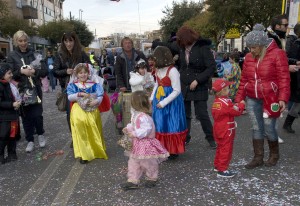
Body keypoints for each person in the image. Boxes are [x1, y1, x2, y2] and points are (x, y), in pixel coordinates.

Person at [235, 24, 290, 169]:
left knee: (269, 128)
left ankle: (274, 155)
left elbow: (284, 77)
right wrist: (239, 99)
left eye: (254, 47)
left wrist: (283, 98)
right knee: (256, 127)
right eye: (249, 47)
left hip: (271, 98)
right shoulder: (248, 57)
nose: (250, 50)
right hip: (253, 98)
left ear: (262, 45)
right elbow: (244, 80)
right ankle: (258, 157)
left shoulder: (277, 54)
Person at [7, 30, 48, 153]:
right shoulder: (12, 55)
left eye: (25, 40)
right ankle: (30, 140)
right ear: (16, 41)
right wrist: (21, 72)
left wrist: (35, 72)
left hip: (35, 88)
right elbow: (9, 74)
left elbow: (45, 71)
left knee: (37, 114)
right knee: (25, 116)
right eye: (20, 41)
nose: (23, 43)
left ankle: (40, 134)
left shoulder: (34, 54)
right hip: (22, 90)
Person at [176, 26, 216, 148]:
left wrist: (198, 80)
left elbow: (211, 67)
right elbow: (183, 66)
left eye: (181, 39)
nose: (180, 42)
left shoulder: (203, 48)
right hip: (185, 85)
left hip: (199, 85)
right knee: (185, 114)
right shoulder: (182, 49)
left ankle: (211, 138)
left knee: (201, 114)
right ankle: (185, 138)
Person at [121, 91, 169, 190]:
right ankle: (133, 179)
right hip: (138, 143)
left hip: (146, 144)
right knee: (134, 161)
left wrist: (134, 133)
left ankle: (152, 178)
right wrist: (128, 128)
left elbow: (145, 130)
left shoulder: (143, 117)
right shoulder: (136, 115)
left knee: (148, 162)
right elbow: (133, 124)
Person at [150, 46, 187, 159]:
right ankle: (162, 148)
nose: (153, 61)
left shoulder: (173, 71)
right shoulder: (157, 70)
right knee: (160, 124)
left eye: (155, 59)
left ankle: (173, 151)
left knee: (172, 124)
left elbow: (177, 90)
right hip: (159, 99)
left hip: (172, 103)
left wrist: (164, 102)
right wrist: (151, 98)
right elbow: (157, 84)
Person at [53, 31, 91, 143]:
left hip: (83, 88)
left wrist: (82, 70)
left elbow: (90, 67)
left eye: (71, 40)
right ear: (63, 42)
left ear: (75, 41)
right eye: (66, 41)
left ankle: (86, 138)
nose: (68, 43)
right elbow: (55, 71)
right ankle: (75, 138)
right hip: (68, 89)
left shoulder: (81, 53)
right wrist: (66, 71)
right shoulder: (59, 55)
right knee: (71, 115)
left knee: (85, 113)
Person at [67, 63, 108, 164]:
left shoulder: (94, 84)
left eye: (85, 72)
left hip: (92, 108)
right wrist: (79, 94)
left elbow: (100, 95)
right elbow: (69, 97)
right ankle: (84, 154)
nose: (83, 75)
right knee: (80, 127)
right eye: (80, 73)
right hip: (78, 109)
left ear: (88, 73)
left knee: (93, 128)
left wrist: (97, 101)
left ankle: (96, 150)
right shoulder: (73, 84)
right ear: (77, 74)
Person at [211, 79, 245, 178]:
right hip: (226, 130)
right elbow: (236, 112)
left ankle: (217, 165)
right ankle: (222, 169)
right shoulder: (225, 103)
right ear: (223, 91)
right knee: (226, 149)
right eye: (227, 88)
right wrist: (241, 105)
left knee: (220, 148)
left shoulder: (217, 102)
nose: (229, 90)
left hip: (218, 128)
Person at [0, 63, 22, 164]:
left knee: (12, 135)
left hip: (12, 115)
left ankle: (12, 154)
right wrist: (12, 104)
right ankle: (1, 156)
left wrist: (17, 102)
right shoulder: (1, 85)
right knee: (3, 136)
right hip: (4, 117)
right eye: (9, 73)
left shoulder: (9, 84)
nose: (11, 75)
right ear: (2, 74)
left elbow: (14, 96)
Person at [282, 23, 300, 133]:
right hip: (297, 77)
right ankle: (287, 123)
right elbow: (289, 59)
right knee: (297, 103)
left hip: (296, 77)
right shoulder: (296, 44)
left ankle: (287, 123)